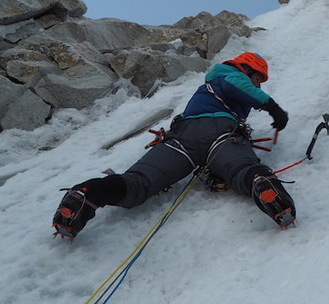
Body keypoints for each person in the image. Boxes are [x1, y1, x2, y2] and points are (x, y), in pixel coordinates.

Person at [53, 51, 295, 239]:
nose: (258, 85)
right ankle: (267, 191)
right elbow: (237, 86)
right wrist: (273, 108)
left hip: (182, 138)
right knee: (243, 170)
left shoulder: (211, 85)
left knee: (139, 183)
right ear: (245, 68)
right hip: (221, 132)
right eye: (257, 78)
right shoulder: (228, 76)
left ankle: (87, 195)